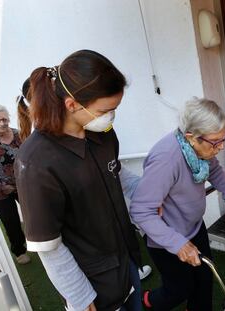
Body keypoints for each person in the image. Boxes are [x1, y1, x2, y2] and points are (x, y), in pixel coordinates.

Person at [15, 50, 142, 311]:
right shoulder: (37, 161)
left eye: (115, 110)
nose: (111, 118)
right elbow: (49, 247)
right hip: (90, 284)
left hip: (126, 262)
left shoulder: (102, 132)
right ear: (72, 104)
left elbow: (115, 172)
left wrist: (150, 193)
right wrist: (81, 298)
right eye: (105, 111)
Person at [130, 98, 225, 311]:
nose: (219, 148)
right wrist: (177, 243)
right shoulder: (167, 159)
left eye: (222, 139)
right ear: (191, 137)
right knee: (179, 290)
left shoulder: (201, 150)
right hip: (167, 237)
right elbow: (141, 211)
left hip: (194, 227)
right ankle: (147, 301)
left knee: (204, 281)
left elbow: (214, 169)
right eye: (215, 142)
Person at [0, 104, 30, 265]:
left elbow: (31, 157)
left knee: (33, 214)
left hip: (24, 185)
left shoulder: (18, 134)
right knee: (10, 221)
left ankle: (36, 240)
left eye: (4, 119)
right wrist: (2, 187)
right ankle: (19, 250)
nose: (2, 123)